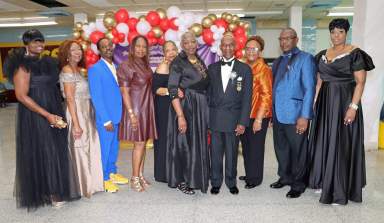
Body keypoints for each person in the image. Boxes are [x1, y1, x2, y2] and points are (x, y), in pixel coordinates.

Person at [5, 29, 80, 209]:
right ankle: (50, 192)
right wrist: (47, 115)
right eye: (35, 42)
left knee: (57, 148)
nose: (39, 45)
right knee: (45, 150)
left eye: (41, 41)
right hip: (35, 114)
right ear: (26, 44)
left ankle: (55, 188)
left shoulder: (48, 62)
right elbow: (22, 96)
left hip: (54, 108)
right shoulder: (22, 66)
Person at [308, 18, 374, 205]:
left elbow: (360, 82)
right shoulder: (322, 54)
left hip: (345, 102)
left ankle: (339, 188)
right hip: (325, 102)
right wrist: (314, 102)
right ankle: (323, 180)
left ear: (346, 33)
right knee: (324, 140)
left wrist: (353, 107)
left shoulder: (355, 54)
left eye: (340, 32)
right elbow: (320, 81)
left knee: (341, 143)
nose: (336, 36)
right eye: (333, 32)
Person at [270, 28, 316, 199]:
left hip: (296, 114)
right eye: (281, 39)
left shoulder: (306, 59)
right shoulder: (277, 61)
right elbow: (276, 88)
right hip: (278, 114)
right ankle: (285, 177)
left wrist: (304, 116)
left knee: (298, 151)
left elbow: (309, 89)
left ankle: (298, 184)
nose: (284, 42)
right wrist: (272, 113)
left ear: (296, 39)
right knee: (281, 149)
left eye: (288, 38)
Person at [208, 33, 253, 195]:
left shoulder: (245, 69)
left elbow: (247, 98)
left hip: (234, 119)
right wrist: (207, 119)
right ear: (220, 48)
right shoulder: (212, 68)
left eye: (230, 45)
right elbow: (208, 95)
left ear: (235, 47)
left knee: (232, 153)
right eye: (224, 45)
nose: (227, 48)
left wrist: (243, 122)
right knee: (215, 153)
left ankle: (231, 181)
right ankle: (215, 181)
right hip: (215, 118)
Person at [58, 40, 104, 198]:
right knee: (80, 147)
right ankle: (82, 187)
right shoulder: (67, 70)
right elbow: (70, 99)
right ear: (66, 53)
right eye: (73, 50)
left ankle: (92, 183)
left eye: (79, 49)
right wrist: (76, 124)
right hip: (76, 113)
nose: (77, 52)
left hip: (86, 112)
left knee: (90, 146)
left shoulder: (78, 69)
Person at [167, 31, 210, 195]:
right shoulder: (178, 62)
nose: (191, 45)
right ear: (182, 45)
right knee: (184, 144)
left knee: (196, 143)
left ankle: (195, 177)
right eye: (187, 42)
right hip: (185, 107)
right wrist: (180, 116)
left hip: (199, 106)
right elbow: (172, 90)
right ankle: (182, 180)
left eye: (193, 42)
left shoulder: (198, 59)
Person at [117, 35, 157, 192]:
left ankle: (139, 174)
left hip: (146, 107)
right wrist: (131, 114)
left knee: (143, 143)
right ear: (132, 48)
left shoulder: (145, 65)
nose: (141, 49)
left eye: (144, 47)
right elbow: (124, 92)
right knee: (139, 144)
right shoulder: (126, 65)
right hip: (135, 108)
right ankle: (133, 178)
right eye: (138, 46)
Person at [88, 37, 128, 193]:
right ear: (99, 50)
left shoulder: (116, 66)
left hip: (117, 116)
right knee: (105, 149)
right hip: (106, 119)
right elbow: (97, 97)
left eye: (110, 45)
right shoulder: (95, 69)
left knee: (114, 148)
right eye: (104, 47)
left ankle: (112, 172)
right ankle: (103, 179)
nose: (108, 48)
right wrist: (105, 120)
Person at [239, 36, 273, 189]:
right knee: (246, 146)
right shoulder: (242, 65)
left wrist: (259, 119)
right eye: (248, 48)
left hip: (258, 114)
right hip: (244, 114)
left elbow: (267, 96)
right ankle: (249, 173)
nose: (251, 51)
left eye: (254, 49)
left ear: (260, 51)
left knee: (256, 147)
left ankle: (255, 178)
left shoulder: (263, 69)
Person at [152, 41, 178, 183]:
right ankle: (163, 173)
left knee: (174, 139)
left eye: (173, 49)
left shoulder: (178, 65)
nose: (171, 52)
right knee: (164, 139)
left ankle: (173, 170)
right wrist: (172, 91)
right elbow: (155, 89)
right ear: (164, 53)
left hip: (175, 106)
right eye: (168, 50)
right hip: (164, 107)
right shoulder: (163, 66)